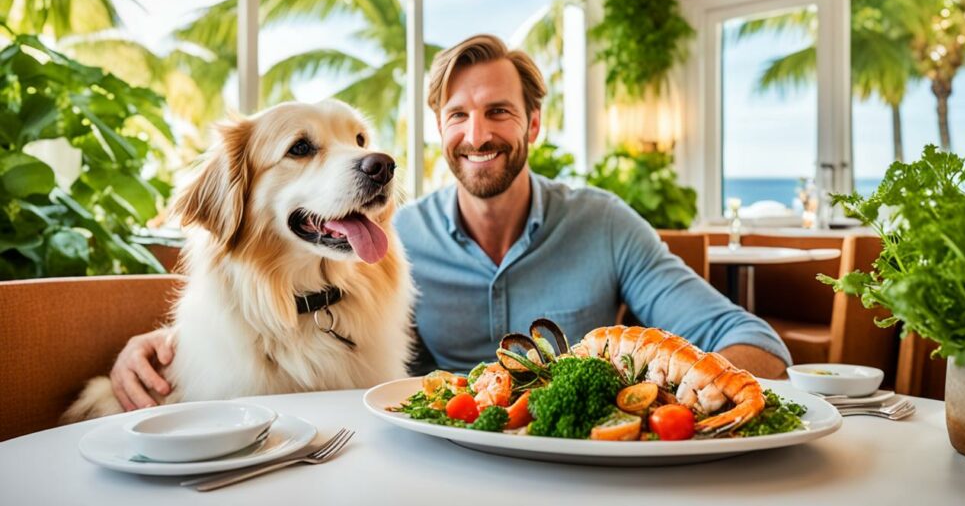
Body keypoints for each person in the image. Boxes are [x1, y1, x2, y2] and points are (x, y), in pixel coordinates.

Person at [108, 34, 789, 412]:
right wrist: (174, 343)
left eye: (499, 111)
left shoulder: (605, 223)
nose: (478, 132)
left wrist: (687, 397)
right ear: (439, 130)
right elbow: (282, 305)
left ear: (534, 123)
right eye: (458, 115)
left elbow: (748, 340)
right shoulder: (389, 243)